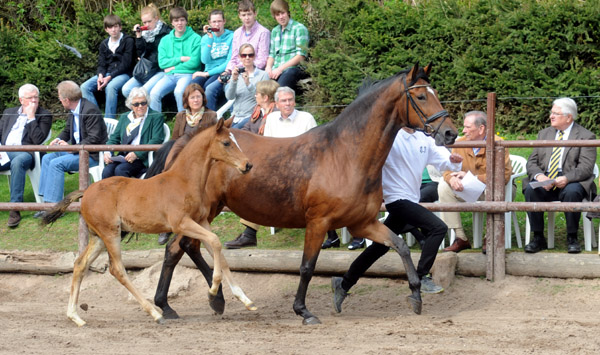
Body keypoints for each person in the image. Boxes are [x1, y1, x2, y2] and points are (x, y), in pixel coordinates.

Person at [330, 127, 463, 311]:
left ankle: (343, 284)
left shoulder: (425, 139)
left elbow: (444, 162)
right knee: (437, 228)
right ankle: (421, 277)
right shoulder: (389, 136)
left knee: (379, 248)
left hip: (411, 198)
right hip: (396, 199)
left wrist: (454, 161)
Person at [224, 86, 316, 248]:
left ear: (294, 102)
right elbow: (267, 146)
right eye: (283, 101)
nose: (287, 104)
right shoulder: (272, 119)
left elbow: (315, 149)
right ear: (277, 103)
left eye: (290, 100)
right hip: (278, 168)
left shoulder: (306, 118)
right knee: (255, 185)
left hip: (303, 169)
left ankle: (249, 234)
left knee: (263, 188)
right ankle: (249, 233)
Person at [523, 98, 596, 254]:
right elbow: (532, 162)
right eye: (551, 112)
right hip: (546, 178)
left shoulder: (586, 136)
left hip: (571, 180)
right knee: (531, 189)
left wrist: (567, 178)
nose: (551, 116)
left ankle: (572, 237)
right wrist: (539, 177)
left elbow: (586, 168)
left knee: (572, 192)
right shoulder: (544, 134)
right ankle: (538, 238)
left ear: (568, 117)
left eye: (556, 113)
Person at [439, 111, 512, 253]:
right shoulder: (459, 144)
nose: (464, 131)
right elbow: (447, 169)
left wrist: (470, 177)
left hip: (491, 190)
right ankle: (460, 238)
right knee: (443, 187)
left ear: (481, 129)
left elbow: (503, 175)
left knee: (491, 189)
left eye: (468, 127)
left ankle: (489, 236)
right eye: (464, 127)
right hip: (467, 190)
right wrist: (451, 178)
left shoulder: (498, 143)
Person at [156, 83, 218, 245]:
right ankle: (165, 228)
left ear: (203, 98)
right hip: (182, 160)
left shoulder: (211, 116)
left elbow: (213, 141)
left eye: (198, 96)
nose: (196, 100)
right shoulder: (181, 116)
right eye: (192, 97)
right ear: (187, 100)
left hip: (202, 161)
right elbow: (175, 139)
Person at [35, 81, 108, 214]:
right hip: (77, 152)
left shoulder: (90, 110)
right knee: (47, 158)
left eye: (60, 98)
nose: (59, 100)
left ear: (67, 100)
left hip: (92, 155)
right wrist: (58, 139)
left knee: (57, 163)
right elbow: (67, 130)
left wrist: (71, 148)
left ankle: (55, 208)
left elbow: (94, 139)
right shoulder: (74, 109)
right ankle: (45, 202)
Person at [0, 84, 52, 227]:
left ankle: (14, 209)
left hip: (26, 153)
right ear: (21, 100)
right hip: (3, 151)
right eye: (30, 98)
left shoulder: (44, 115)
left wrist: (31, 117)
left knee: (18, 162)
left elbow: (38, 140)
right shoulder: (9, 112)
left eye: (36, 97)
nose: (34, 101)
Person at [205, 0, 270, 111]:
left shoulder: (263, 32)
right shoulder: (237, 33)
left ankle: (234, 118)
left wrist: (240, 72)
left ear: (255, 13)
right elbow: (233, 57)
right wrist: (228, 71)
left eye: (249, 14)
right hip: (235, 71)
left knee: (231, 88)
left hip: (252, 72)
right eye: (243, 15)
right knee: (210, 89)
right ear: (239, 16)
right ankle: (211, 123)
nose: (247, 18)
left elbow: (262, 60)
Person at [149, 7, 202, 114]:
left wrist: (174, 67)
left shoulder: (196, 38)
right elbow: (162, 63)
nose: (179, 23)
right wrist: (181, 59)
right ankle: (156, 124)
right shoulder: (165, 40)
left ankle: (183, 124)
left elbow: (194, 63)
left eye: (182, 20)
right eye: (176, 21)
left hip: (187, 74)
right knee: (154, 93)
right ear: (172, 22)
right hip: (169, 76)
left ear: (186, 21)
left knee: (179, 91)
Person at [102, 87, 165, 179]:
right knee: (107, 171)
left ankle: (125, 194)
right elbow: (114, 138)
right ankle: (106, 193)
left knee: (121, 170)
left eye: (143, 103)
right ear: (131, 105)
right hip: (124, 156)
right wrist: (107, 152)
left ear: (147, 102)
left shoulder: (156, 117)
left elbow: (156, 139)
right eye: (136, 104)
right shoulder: (124, 117)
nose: (140, 106)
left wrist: (137, 154)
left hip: (143, 158)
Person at [81, 14, 134, 119]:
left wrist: (109, 77)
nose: (113, 30)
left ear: (120, 27)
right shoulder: (104, 44)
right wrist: (100, 75)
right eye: (110, 27)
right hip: (107, 74)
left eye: (115, 26)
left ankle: (109, 120)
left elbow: (126, 64)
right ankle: (97, 118)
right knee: (84, 87)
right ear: (106, 29)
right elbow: (101, 64)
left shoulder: (128, 41)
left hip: (124, 74)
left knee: (110, 87)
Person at [121, 4, 172, 99]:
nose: (147, 25)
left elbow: (164, 55)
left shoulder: (166, 32)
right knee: (126, 89)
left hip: (160, 69)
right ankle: (141, 110)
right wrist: (139, 36)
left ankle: (147, 112)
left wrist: (146, 58)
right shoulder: (145, 34)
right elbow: (140, 53)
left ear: (156, 19)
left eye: (149, 21)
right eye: (144, 22)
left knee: (143, 92)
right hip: (146, 69)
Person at [265, 0, 309, 94]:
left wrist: (280, 69)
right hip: (276, 69)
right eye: (277, 15)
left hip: (293, 68)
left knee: (279, 90)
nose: (281, 17)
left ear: (288, 13)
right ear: (274, 17)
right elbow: (272, 54)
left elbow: (301, 55)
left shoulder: (299, 29)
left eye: (282, 13)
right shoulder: (275, 31)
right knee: (262, 87)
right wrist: (268, 68)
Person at [225, 44, 269, 129]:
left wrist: (248, 84)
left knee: (232, 133)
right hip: (235, 117)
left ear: (254, 56)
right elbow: (230, 97)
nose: (247, 58)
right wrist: (234, 80)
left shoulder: (263, 75)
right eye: (244, 55)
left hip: (252, 116)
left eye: (250, 55)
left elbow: (263, 99)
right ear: (240, 57)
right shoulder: (236, 74)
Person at [191, 10, 233, 90]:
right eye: (214, 22)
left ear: (224, 21)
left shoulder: (232, 37)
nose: (217, 24)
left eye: (219, 21)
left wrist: (206, 74)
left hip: (222, 71)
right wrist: (210, 39)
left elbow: (229, 62)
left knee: (208, 86)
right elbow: (205, 60)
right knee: (193, 86)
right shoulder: (205, 38)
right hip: (208, 70)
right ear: (209, 22)